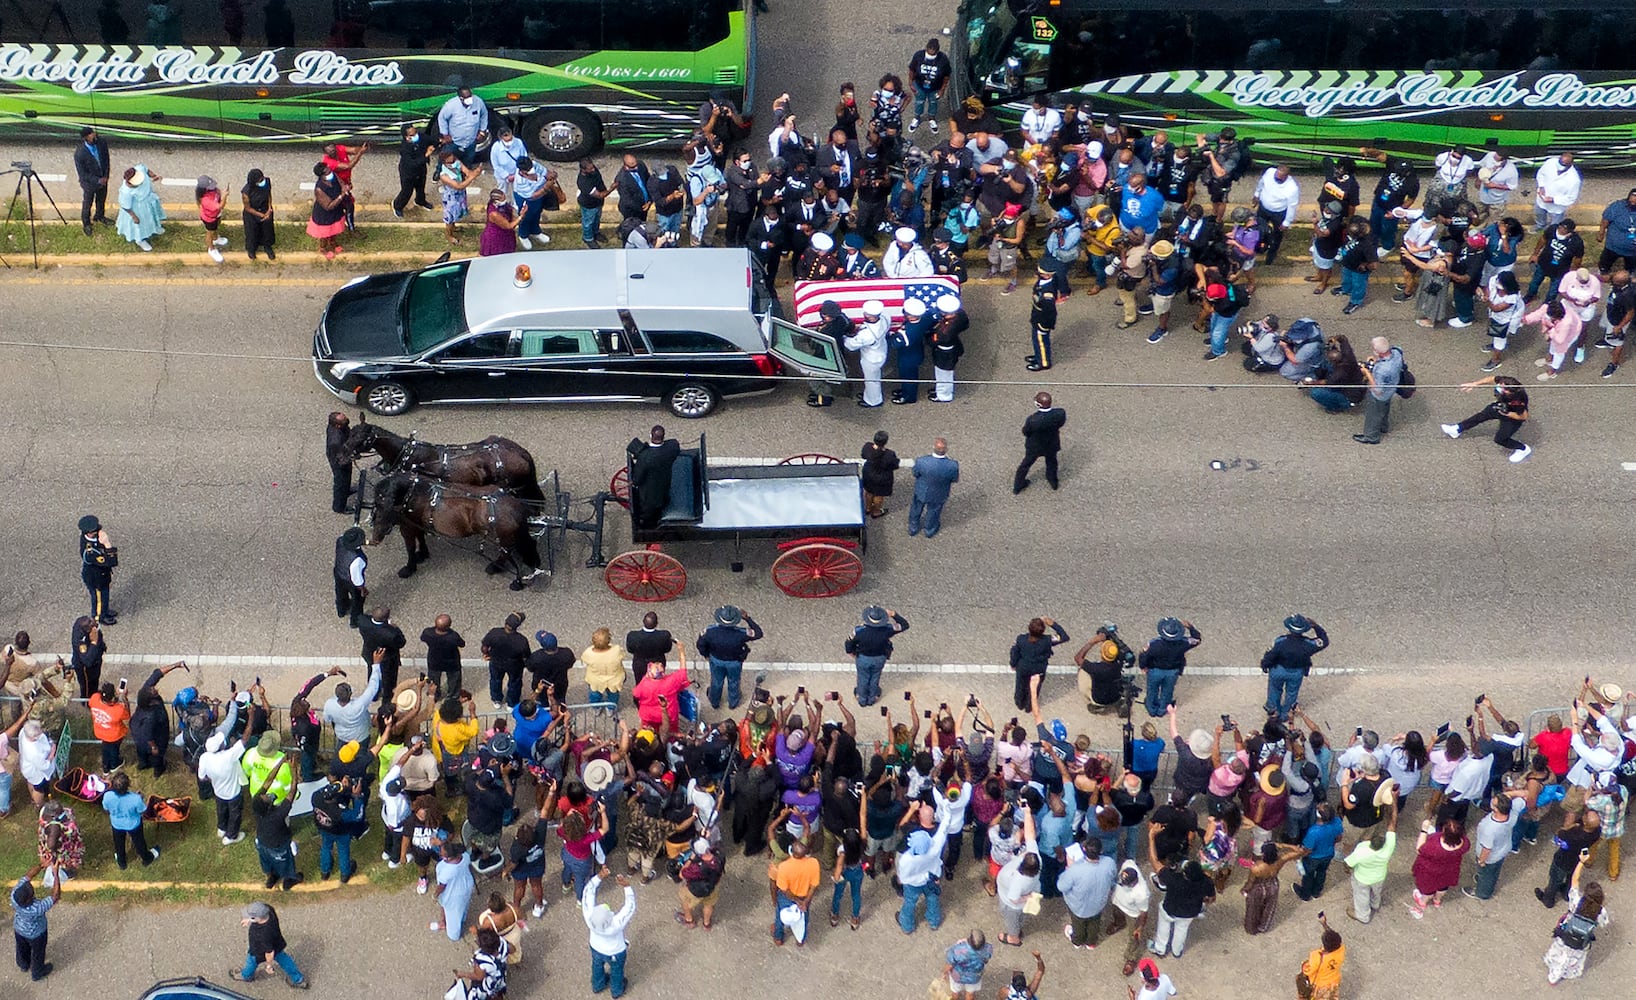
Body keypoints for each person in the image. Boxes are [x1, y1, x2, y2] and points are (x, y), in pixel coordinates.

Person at [1543, 855, 1607, 984]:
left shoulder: (1576, 902)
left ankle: (1554, 974)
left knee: (1562, 952)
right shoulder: (1600, 912)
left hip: (1567, 932)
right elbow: (1604, 923)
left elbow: (1575, 880)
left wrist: (1581, 862)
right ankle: (1568, 971)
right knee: (1573, 956)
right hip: (1581, 941)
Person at [1441, 375, 1532, 463]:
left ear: (1510, 392)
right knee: (1481, 416)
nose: (1499, 387)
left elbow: (1523, 416)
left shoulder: (1517, 401)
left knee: (1500, 439)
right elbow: (1492, 378)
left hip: (1512, 418)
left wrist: (1507, 414)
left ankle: (1523, 449)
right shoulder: (1504, 382)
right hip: (1501, 407)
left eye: (1502, 388)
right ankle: (1458, 429)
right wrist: (1475, 383)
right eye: (1500, 385)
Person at [1260, 615, 1329, 721]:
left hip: (1279, 669)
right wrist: (1316, 626)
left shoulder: (1280, 641)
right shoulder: (1308, 644)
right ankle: (1286, 713)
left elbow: (1271, 654)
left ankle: (1273, 710)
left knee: (1274, 689)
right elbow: (1324, 641)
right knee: (1292, 692)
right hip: (1296, 672)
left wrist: (1264, 664)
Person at [697, 605, 763, 711]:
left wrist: (706, 655)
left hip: (716, 660)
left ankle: (714, 701)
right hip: (734, 662)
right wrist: (747, 618)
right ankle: (733, 702)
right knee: (734, 681)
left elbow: (700, 644)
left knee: (716, 681)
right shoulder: (741, 633)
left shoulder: (710, 631)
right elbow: (758, 633)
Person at [1342, 801, 1398, 923]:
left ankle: (1363, 916)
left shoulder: (1362, 850)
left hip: (1362, 878)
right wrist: (1394, 803)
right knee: (1376, 891)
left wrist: (1347, 869)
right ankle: (1375, 904)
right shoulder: (1388, 847)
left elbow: (1348, 863)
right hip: (1379, 876)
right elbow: (1392, 825)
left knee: (1361, 896)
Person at [584, 869, 637, 995]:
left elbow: (588, 893)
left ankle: (597, 985)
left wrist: (599, 877)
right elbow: (630, 907)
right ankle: (616, 991)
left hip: (596, 947)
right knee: (617, 971)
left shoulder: (589, 917)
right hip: (615, 952)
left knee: (597, 966)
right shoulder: (615, 924)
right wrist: (627, 886)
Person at [232, 901, 306, 988]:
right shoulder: (270, 911)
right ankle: (298, 980)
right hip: (277, 944)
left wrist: (269, 966)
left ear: (258, 918)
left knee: (251, 961)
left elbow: (269, 953)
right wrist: (250, 919)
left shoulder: (263, 934)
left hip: (259, 950)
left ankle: (246, 976)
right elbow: (259, 916)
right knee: (285, 960)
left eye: (251, 917)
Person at [847, 606, 909, 708]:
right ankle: (872, 697)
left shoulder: (859, 631)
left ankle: (862, 699)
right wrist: (894, 614)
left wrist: (850, 652)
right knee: (875, 676)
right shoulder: (887, 629)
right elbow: (904, 625)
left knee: (863, 677)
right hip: (880, 657)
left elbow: (849, 643)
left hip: (863, 658)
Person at [1140, 618, 1202, 718]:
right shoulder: (1183, 643)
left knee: (1152, 690)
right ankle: (1162, 710)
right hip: (1172, 671)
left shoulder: (1154, 644)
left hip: (1155, 671)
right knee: (1167, 691)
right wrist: (1190, 627)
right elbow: (1197, 640)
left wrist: (1143, 666)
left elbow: (1144, 655)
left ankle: (1151, 709)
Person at [626, 424, 682, 530]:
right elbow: (674, 446)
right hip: (665, 481)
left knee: (648, 508)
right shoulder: (672, 447)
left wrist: (633, 482)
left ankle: (647, 525)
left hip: (651, 491)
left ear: (650, 435)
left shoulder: (645, 457)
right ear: (663, 436)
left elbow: (638, 479)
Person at [11, 865, 61, 981]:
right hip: (36, 935)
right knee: (38, 953)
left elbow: (28, 876)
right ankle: (37, 972)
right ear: (29, 899)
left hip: (19, 929)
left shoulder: (14, 896)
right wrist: (56, 874)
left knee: (21, 948)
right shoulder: (36, 908)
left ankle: (23, 964)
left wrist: (41, 865)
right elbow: (56, 896)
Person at [1009, 618, 1069, 712]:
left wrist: (1013, 663)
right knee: (1035, 687)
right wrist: (1052, 624)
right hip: (1039, 668)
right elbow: (1064, 637)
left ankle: (1019, 703)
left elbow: (1015, 652)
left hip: (1023, 667)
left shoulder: (1021, 639)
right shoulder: (1048, 640)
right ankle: (1030, 706)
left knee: (1020, 685)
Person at [1353, 336, 1404, 445]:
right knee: (1384, 409)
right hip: (1391, 388)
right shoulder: (1396, 353)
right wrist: (1377, 360)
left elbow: (1377, 390)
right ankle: (1383, 426)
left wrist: (1367, 373)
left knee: (1373, 414)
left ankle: (1371, 436)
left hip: (1380, 394)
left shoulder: (1382, 370)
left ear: (1377, 351)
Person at [1013, 392, 1066, 494]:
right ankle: (1053, 481)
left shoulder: (1033, 419)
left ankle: (1018, 486)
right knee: (1052, 462)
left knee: (1025, 465)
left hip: (1035, 446)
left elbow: (1026, 431)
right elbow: (1061, 423)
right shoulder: (1060, 413)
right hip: (1051, 444)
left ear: (1038, 404)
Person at [771, 839, 820, 946]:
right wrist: (805, 902)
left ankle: (778, 937)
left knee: (781, 916)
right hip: (805, 896)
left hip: (788, 897)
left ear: (792, 853)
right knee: (803, 917)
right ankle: (800, 939)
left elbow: (784, 890)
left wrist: (796, 901)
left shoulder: (784, 867)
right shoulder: (814, 863)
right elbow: (814, 885)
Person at [908, 438, 959, 539]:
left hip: (922, 490)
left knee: (916, 507)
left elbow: (915, 473)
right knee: (934, 511)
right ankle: (929, 529)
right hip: (939, 493)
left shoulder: (921, 461)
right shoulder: (953, 465)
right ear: (946, 450)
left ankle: (913, 527)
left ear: (933, 448)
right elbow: (954, 479)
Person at [481, 612, 531, 711]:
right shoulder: (521, 640)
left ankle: (497, 700)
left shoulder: (494, 633)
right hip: (514, 665)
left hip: (496, 662)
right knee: (514, 683)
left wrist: (486, 654)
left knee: (495, 680)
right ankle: (511, 703)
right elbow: (526, 657)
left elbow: (485, 647)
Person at [845, 300, 890, 408]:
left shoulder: (867, 334)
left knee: (871, 380)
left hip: (871, 358)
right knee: (873, 378)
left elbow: (850, 345)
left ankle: (873, 400)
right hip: (881, 350)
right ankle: (868, 395)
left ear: (870, 316)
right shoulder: (885, 318)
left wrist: (843, 337)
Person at [432, 839, 476, 942]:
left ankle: (453, 933)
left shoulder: (448, 871)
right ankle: (447, 921)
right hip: (466, 884)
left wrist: (435, 895)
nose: (440, 854)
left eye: (442, 854)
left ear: (449, 857)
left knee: (453, 915)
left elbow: (441, 887)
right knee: (462, 907)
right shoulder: (464, 856)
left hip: (454, 894)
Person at [437, 147, 482, 245]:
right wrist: (472, 178)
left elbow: (468, 172)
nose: (452, 156)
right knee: (449, 217)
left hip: (460, 195)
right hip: (451, 197)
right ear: (444, 159)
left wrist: (475, 172)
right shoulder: (443, 174)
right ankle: (449, 235)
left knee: (457, 214)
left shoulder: (457, 162)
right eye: (450, 156)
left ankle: (454, 227)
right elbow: (458, 186)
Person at [114, 163, 165, 252]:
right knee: (139, 225)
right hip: (138, 208)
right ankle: (140, 240)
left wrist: (153, 176)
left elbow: (146, 169)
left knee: (151, 216)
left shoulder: (139, 169)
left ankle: (154, 228)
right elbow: (125, 206)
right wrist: (134, 216)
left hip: (147, 201)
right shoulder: (126, 192)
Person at [676, 838, 724, 929]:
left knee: (686, 902)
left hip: (695, 890)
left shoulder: (697, 868)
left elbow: (682, 874)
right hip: (712, 886)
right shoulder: (719, 855)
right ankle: (706, 924)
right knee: (709, 904)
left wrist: (690, 859)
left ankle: (689, 920)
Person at [390, 122, 437, 217]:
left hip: (421, 169)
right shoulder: (405, 148)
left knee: (420, 187)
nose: (416, 135)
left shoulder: (421, 137)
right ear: (407, 137)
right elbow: (412, 164)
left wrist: (438, 142)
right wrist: (426, 154)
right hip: (408, 172)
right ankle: (397, 206)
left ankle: (420, 201)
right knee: (407, 191)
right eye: (412, 134)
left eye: (415, 132)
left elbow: (432, 140)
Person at [78, 514, 117, 625]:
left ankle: (105, 610)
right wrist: (107, 543)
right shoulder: (89, 551)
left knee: (105, 594)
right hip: (95, 579)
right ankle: (100, 616)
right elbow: (111, 561)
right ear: (89, 533)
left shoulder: (93, 538)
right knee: (99, 598)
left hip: (102, 576)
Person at [437, 86, 490, 166]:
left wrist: (482, 131)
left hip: (471, 142)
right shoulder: (451, 105)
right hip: (454, 141)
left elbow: (484, 115)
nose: (470, 99)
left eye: (470, 96)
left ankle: (465, 175)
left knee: (468, 162)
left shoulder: (478, 102)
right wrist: (445, 134)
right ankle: (439, 171)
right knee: (445, 158)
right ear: (461, 98)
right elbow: (442, 118)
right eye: (466, 97)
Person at [74, 126, 112, 235]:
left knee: (101, 199)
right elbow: (83, 174)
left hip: (103, 179)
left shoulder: (101, 143)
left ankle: (99, 216)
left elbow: (106, 160)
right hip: (89, 184)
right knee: (88, 203)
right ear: (86, 137)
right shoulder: (80, 153)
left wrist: (106, 176)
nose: (94, 134)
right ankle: (86, 223)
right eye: (91, 134)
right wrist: (98, 180)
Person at [453, 927, 508, 999]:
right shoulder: (501, 942)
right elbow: (512, 948)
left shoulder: (482, 960)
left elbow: (479, 977)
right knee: (496, 993)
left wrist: (463, 974)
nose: (476, 940)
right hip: (498, 976)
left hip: (488, 982)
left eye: (478, 940)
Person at [1299, 915, 1346, 1000]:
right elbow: (1333, 937)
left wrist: (1304, 965)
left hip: (1320, 985)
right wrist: (1324, 924)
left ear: (1324, 945)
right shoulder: (1341, 949)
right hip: (1334, 981)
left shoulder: (1317, 956)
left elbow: (1308, 971)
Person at [88, 680, 130, 771]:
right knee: (114, 750)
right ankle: (114, 765)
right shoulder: (118, 709)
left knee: (105, 747)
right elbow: (127, 715)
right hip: (114, 735)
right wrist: (124, 697)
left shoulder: (94, 698)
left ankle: (105, 766)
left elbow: (93, 700)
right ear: (112, 698)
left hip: (100, 731)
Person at [1534, 151, 1581, 230]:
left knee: (1555, 225)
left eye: (1564, 164)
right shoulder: (1550, 163)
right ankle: (1540, 226)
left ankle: (1551, 232)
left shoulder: (1574, 179)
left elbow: (1571, 198)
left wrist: (1553, 200)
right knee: (1539, 214)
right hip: (1541, 199)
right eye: (1560, 162)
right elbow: (1541, 174)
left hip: (1556, 207)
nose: (1560, 166)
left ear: (1570, 164)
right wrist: (1541, 186)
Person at [860, 430, 900, 519]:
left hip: (869, 473)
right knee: (878, 495)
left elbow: (863, 455)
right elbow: (895, 465)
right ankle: (876, 511)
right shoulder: (889, 454)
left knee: (869, 492)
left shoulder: (867, 447)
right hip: (882, 477)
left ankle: (868, 507)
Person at [944, 929, 993, 999]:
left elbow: (950, 964)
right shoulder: (988, 948)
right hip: (974, 977)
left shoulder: (959, 949)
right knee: (970, 994)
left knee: (955, 992)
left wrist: (944, 973)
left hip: (957, 976)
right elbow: (986, 960)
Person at [241, 168, 276, 261]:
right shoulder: (246, 192)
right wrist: (261, 215)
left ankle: (267, 247)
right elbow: (248, 208)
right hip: (252, 213)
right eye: (260, 180)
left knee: (267, 230)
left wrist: (269, 209)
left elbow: (269, 195)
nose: (262, 181)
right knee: (252, 232)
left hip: (265, 209)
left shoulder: (267, 182)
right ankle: (251, 250)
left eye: (262, 179)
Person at [478, 188, 520, 256]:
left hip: (505, 235)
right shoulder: (494, 214)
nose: (505, 200)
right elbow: (509, 226)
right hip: (495, 238)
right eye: (503, 199)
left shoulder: (500, 205)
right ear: (496, 201)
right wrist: (521, 217)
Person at [195, 175, 227, 262]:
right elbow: (220, 206)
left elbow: (217, 192)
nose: (214, 187)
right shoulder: (205, 200)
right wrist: (224, 197)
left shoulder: (212, 190)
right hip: (210, 219)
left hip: (216, 215)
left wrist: (221, 193)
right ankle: (211, 249)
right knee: (210, 232)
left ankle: (216, 238)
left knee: (216, 227)